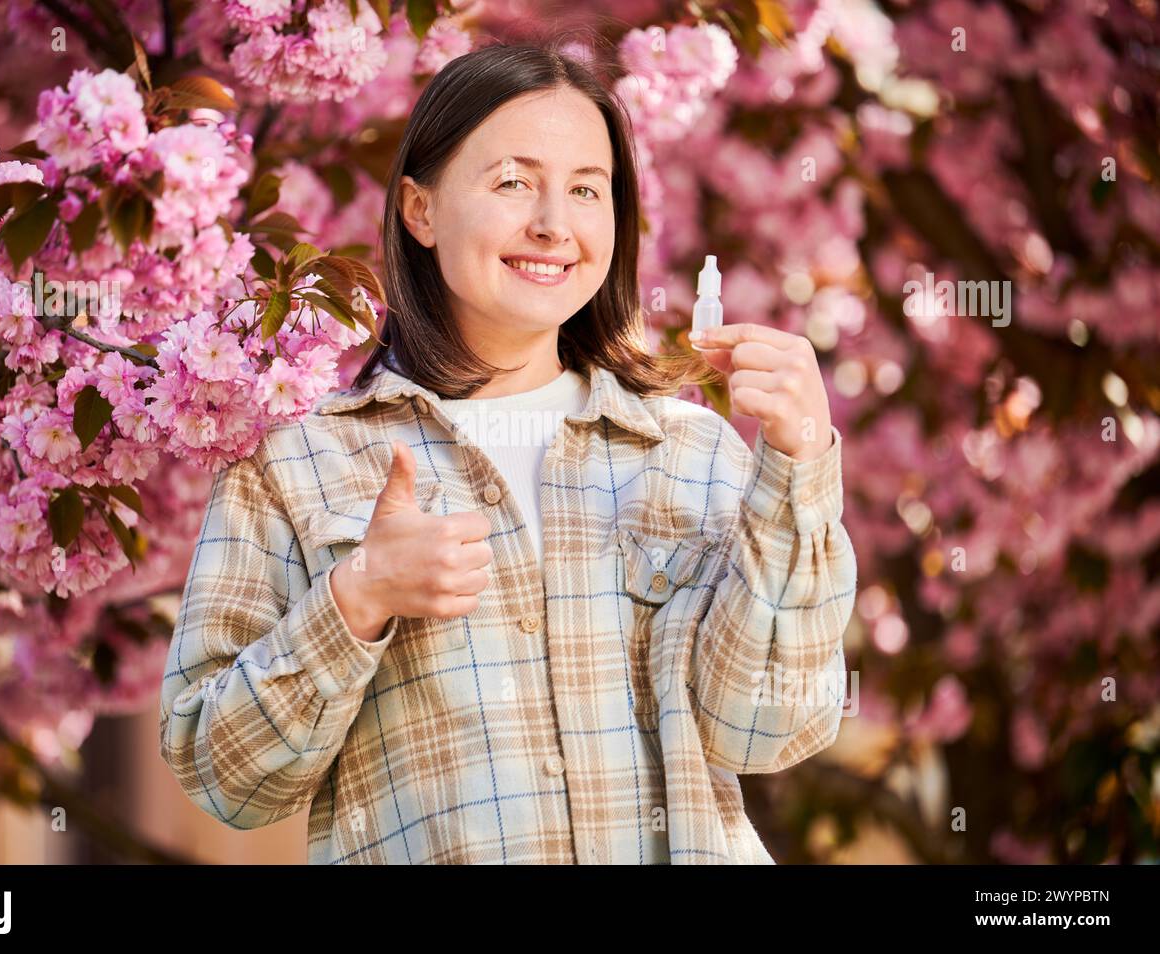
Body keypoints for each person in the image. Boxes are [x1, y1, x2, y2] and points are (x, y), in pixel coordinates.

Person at [159, 40, 856, 864]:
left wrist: (797, 475)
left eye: (586, 191)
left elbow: (764, 728)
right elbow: (223, 774)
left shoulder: (687, 451)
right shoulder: (297, 463)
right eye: (513, 182)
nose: (554, 225)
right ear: (420, 210)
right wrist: (357, 598)